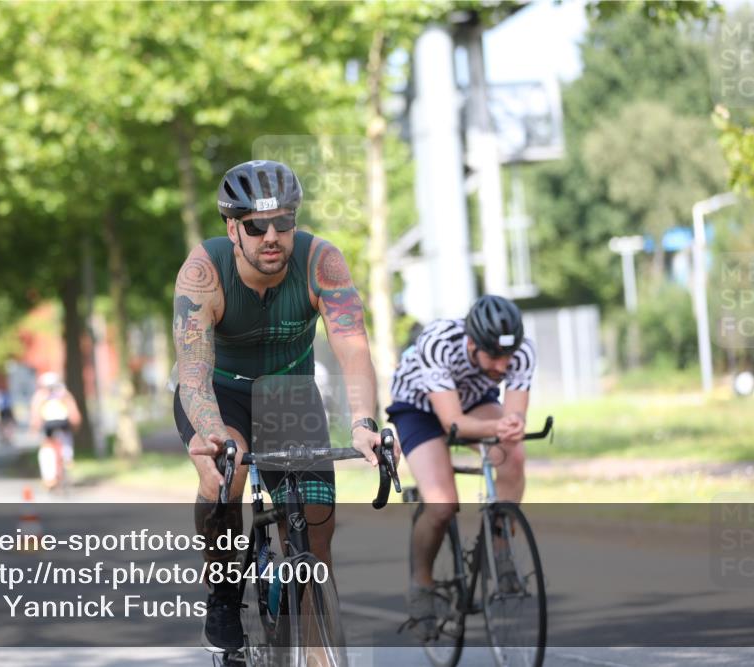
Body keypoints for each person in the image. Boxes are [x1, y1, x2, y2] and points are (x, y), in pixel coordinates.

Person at [172, 159, 398, 652]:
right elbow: (192, 371)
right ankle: (223, 591)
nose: (272, 236)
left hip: (288, 395)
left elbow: (353, 346)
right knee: (226, 473)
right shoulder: (203, 271)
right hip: (220, 392)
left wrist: (364, 424)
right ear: (233, 229)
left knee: (317, 537)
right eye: (257, 225)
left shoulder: (322, 262)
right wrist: (210, 435)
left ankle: (317, 653)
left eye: (284, 222)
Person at [386, 295, 536, 641]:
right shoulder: (439, 342)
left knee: (513, 454)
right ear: (471, 343)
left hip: (474, 401)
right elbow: (452, 422)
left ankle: (500, 549)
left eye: (507, 357)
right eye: (493, 356)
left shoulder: (522, 351)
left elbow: (513, 415)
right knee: (441, 505)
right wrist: (500, 428)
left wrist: (512, 425)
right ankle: (421, 584)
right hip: (419, 408)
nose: (502, 366)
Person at [29, 371, 81, 465]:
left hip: (48, 423)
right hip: (63, 422)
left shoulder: (40, 395)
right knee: (66, 439)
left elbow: (35, 411)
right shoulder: (64, 393)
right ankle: (67, 458)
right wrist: (76, 424)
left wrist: (34, 427)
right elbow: (73, 410)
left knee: (47, 443)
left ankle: (48, 467)